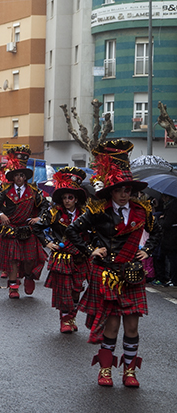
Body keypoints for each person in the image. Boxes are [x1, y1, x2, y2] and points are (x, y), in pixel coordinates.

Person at [66, 139, 161, 388]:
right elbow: (73, 231)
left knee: (132, 325)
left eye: (128, 189)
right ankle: (105, 370)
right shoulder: (98, 210)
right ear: (111, 191)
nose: (124, 194)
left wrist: (147, 250)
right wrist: (90, 250)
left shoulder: (143, 211)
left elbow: (157, 233)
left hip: (131, 273)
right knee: (112, 324)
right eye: (119, 189)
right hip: (107, 272)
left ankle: (129, 372)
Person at [33, 167, 89, 333]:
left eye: (70, 197)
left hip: (81, 256)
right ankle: (64, 320)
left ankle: (71, 317)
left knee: (77, 289)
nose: (67, 201)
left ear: (77, 198)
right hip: (62, 257)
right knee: (64, 290)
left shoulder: (87, 214)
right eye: (64, 197)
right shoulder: (53, 213)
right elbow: (37, 228)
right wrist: (47, 243)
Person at [0, 146, 48, 299]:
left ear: (25, 177)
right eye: (16, 175)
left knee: (29, 259)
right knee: (13, 259)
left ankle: (29, 277)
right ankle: (13, 287)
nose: (19, 178)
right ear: (13, 177)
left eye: (22, 175)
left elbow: (44, 206)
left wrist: (39, 218)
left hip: (28, 229)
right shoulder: (4, 191)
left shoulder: (34, 192)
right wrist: (1, 214)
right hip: (11, 228)